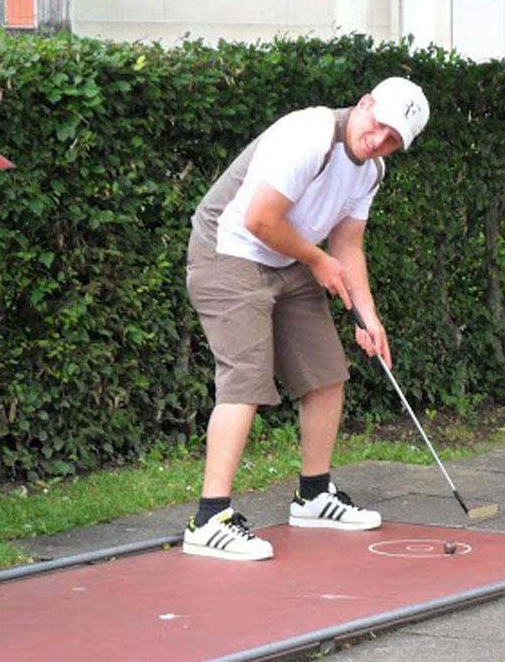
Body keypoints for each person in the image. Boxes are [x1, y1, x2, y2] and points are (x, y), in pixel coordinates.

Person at [181, 76, 430, 560]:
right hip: (227, 252)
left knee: (326, 373)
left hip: (285, 255)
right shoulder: (309, 135)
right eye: (379, 125)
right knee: (245, 380)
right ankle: (210, 519)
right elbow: (260, 220)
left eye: (393, 140)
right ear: (364, 104)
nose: (379, 140)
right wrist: (316, 262)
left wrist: (367, 317)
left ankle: (313, 495)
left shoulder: (370, 171)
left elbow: (347, 245)